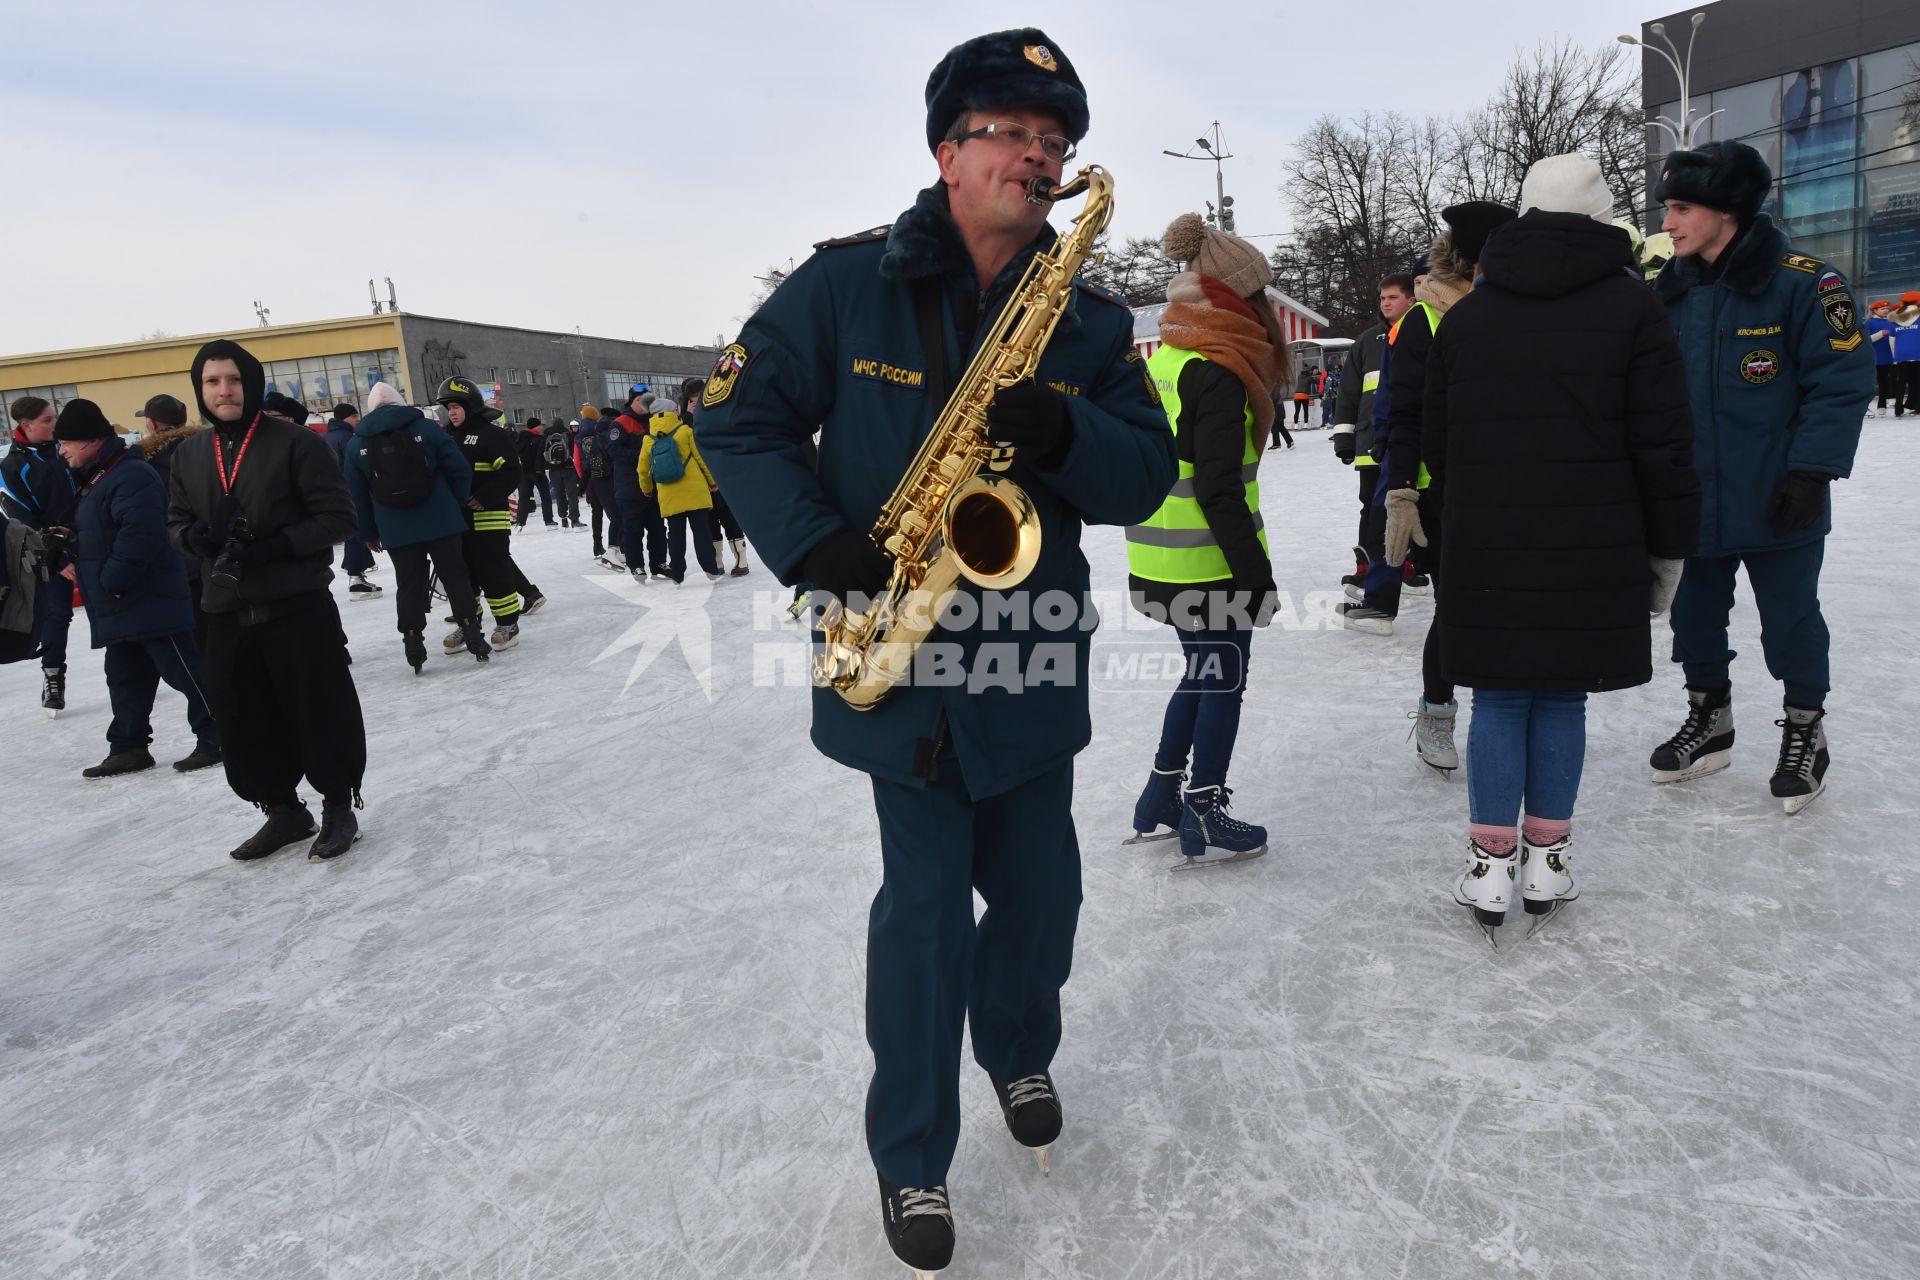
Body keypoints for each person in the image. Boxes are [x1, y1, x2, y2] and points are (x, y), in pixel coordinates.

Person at [694, 29, 1176, 1276]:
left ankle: (1017, 1046)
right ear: (949, 149)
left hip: (1028, 657)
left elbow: (1147, 474)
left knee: (1042, 899)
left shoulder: (1085, 314)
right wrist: (814, 544)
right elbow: (735, 421)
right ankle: (911, 1155)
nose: (1040, 157)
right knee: (921, 918)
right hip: (896, 659)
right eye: (1014, 133)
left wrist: (1063, 427)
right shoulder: (842, 286)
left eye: (1054, 140)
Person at [1427, 153, 1701, 938]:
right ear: (1601, 215)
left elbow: (1442, 447)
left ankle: (1487, 869)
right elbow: (1665, 442)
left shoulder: (1470, 316)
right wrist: (1669, 547)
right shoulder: (1634, 308)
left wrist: (1455, 530)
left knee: (1501, 696)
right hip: (1598, 541)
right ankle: (1548, 858)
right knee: (1562, 696)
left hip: (1489, 543)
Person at [1648, 140, 1873, 813]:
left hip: (1780, 498)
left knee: (1791, 621)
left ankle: (1807, 730)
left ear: (1728, 210)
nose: (1669, 223)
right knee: (1693, 618)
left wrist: (1812, 472)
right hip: (1695, 499)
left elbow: (1841, 381)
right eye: (1668, 208)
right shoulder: (1671, 293)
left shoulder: (1806, 282)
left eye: (1682, 208)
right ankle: (1709, 719)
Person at [165, 339, 367, 861]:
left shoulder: (296, 443)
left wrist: (278, 546)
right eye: (212, 382)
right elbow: (175, 523)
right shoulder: (189, 454)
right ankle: (282, 810)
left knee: (319, 709)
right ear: (200, 389)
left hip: (294, 605)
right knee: (244, 717)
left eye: (233, 380)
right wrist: (198, 540)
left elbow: (339, 517)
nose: (224, 390)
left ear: (250, 384)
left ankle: (337, 806)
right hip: (225, 612)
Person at [1125, 212, 1285, 867]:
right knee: (1223, 681)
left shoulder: (1168, 356)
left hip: (1161, 557)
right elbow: (1218, 487)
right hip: (1209, 561)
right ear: (1237, 297)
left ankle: (1161, 795)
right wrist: (1255, 575)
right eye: (1261, 295)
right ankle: (1205, 808)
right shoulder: (1217, 368)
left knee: (1202, 672)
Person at [50, 399, 222, 778]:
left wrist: (110, 580)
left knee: (186, 672)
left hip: (147, 597)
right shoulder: (100, 476)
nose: (61, 451)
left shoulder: (130, 475)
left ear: (90, 441)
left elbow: (141, 535)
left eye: (65, 443)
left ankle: (220, 734)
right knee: (125, 678)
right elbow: (108, 531)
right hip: (122, 601)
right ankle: (128, 746)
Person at [342, 381, 490, 671]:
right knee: (455, 577)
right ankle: (473, 634)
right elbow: (459, 469)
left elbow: (356, 494)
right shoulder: (427, 429)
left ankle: (413, 642)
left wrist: (369, 532)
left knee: (408, 584)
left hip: (395, 528)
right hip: (441, 521)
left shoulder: (357, 443)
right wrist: (455, 503)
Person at [435, 376, 534, 651]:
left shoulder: (492, 435)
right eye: (448, 408)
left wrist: (484, 497)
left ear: (470, 405)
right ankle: (468, 625)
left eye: (455, 406)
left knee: (494, 571)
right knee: (462, 576)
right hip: (457, 522)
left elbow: (511, 472)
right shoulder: (445, 437)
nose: (451, 412)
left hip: (488, 517)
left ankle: (507, 623)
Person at [1331, 275, 1414, 601]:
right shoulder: (1368, 341)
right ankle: (1366, 563)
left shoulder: (1421, 334)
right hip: (1370, 443)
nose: (1385, 303)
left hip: (1408, 441)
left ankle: (1409, 562)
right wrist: (1344, 437)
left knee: (1410, 506)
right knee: (1372, 507)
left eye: (1392, 297)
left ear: (1411, 299)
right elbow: (1348, 392)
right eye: (1382, 298)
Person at [3, 394, 79, 714]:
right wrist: (59, 558)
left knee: (118, 606)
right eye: (47, 420)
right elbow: (23, 521)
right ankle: (53, 678)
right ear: (26, 425)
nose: (54, 425)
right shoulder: (12, 466)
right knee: (55, 616)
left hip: (90, 545)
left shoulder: (67, 449)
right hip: (53, 557)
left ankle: (147, 668)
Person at [133, 394, 209, 651]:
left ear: (152, 424)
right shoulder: (209, 449)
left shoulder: (145, 463)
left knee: (196, 644)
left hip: (176, 560)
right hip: (217, 552)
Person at [635, 397, 723, 582]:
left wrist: (647, 488)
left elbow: (643, 469)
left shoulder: (648, 439)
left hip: (669, 494)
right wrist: (712, 481)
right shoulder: (685, 431)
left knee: (675, 534)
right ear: (672, 411)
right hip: (695, 491)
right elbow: (700, 458)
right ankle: (711, 569)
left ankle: (677, 573)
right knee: (702, 531)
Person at [681, 377, 751, 576]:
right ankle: (717, 562)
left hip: (723, 473)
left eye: (698, 397)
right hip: (701, 477)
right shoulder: (685, 420)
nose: (696, 401)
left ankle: (742, 561)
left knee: (730, 519)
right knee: (710, 522)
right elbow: (683, 441)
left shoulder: (720, 411)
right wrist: (688, 416)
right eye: (692, 398)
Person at [320, 401, 383, 601]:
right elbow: (357, 468)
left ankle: (359, 568)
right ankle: (356, 577)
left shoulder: (327, 437)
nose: (357, 420)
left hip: (332, 494)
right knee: (357, 531)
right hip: (349, 492)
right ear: (346, 418)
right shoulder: (347, 438)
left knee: (352, 532)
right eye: (355, 416)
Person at [610, 386, 670, 580]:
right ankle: (636, 565)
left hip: (654, 486)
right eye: (641, 400)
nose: (645, 405)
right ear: (632, 401)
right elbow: (615, 452)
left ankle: (659, 563)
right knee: (633, 530)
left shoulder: (656, 421)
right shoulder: (620, 423)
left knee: (658, 528)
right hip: (630, 488)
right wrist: (645, 456)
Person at [576, 405, 622, 565]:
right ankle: (616, 549)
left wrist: (582, 483)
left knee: (599, 512)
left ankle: (598, 544)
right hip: (612, 479)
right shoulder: (611, 434)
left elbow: (580, 461)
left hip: (593, 478)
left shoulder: (581, 436)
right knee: (618, 515)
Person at [513, 416, 555, 529]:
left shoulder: (520, 438)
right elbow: (539, 456)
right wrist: (538, 470)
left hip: (523, 472)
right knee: (545, 496)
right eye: (539, 425)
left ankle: (520, 522)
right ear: (535, 427)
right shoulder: (539, 438)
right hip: (537, 472)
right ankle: (549, 520)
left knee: (523, 498)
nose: (541, 427)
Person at [543, 418, 581, 528]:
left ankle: (563, 519)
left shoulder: (547, 437)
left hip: (553, 470)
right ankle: (574, 520)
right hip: (568, 468)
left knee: (559, 495)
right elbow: (574, 451)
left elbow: (542, 453)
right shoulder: (568, 435)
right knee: (572, 494)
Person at [1867, 299, 1897, 416]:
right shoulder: (1869, 323)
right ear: (1875, 310)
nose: (1885, 310)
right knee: (1872, 383)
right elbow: (1866, 340)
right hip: (1875, 358)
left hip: (1890, 357)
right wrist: (1880, 334)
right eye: (1882, 309)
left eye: (1886, 309)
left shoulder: (1891, 322)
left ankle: (1882, 404)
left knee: (1886, 382)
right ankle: (1866, 407)